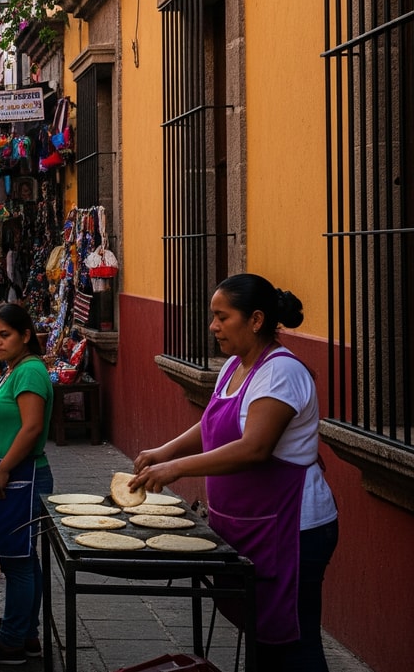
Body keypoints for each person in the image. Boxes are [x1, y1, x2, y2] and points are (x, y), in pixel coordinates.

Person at [131, 275, 337, 672]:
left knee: (293, 643)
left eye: (222, 317)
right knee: (262, 639)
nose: (213, 326)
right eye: (213, 317)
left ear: (256, 319)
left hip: (291, 529)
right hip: (250, 526)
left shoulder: (281, 373)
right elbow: (212, 425)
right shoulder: (232, 367)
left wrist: (174, 469)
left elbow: (254, 448)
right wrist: (165, 450)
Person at [0, 302, 55, 665]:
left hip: (22, 479)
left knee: (17, 563)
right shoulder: (13, 369)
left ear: (25, 336)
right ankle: (28, 636)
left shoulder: (30, 372)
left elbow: (32, 427)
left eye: (4, 335)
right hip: (14, 479)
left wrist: (4, 469)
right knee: (24, 560)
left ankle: (10, 644)